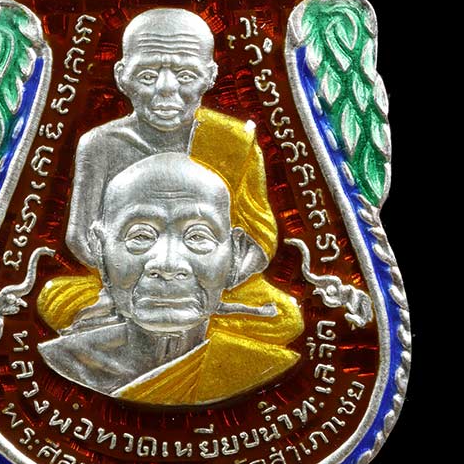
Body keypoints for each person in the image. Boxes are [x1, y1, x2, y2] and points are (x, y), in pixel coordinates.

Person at [38, 154, 302, 404]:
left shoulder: (263, 367)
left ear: (236, 254)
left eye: (198, 236)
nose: (167, 264)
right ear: (100, 250)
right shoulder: (66, 361)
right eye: (140, 236)